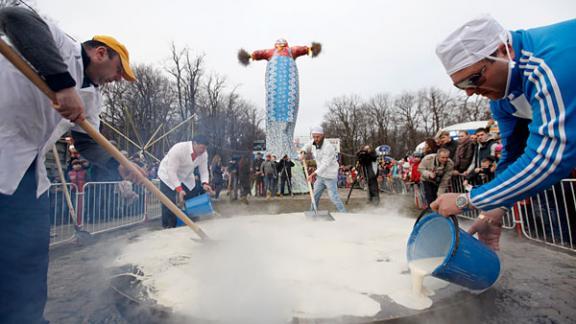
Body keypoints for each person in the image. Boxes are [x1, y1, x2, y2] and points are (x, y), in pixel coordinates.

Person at [0, 7, 143, 323]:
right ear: (101, 53)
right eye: (119, 71)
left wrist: (119, 164)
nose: (119, 79)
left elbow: (89, 140)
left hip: (27, 172)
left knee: (31, 253)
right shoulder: (60, 46)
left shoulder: (92, 99)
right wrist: (63, 85)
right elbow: (13, 17)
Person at [433, 15, 576, 250]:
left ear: (504, 50)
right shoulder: (502, 99)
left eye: (474, 78)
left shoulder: (547, 65)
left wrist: (467, 200)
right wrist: (494, 209)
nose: (470, 92)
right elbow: (513, 155)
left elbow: (550, 157)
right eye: (461, 86)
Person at [157, 135, 213, 228]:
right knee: (169, 202)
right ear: (194, 143)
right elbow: (171, 171)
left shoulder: (204, 154)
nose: (203, 150)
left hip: (186, 176)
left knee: (192, 195)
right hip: (167, 175)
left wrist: (205, 183)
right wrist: (179, 189)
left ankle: (192, 222)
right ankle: (168, 227)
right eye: (201, 147)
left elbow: (204, 171)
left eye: (205, 148)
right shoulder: (178, 149)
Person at [300, 126, 347, 213]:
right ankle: (312, 213)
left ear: (322, 136)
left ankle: (344, 214)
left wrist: (312, 174)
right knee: (315, 196)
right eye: (314, 136)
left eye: (317, 137)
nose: (315, 139)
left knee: (334, 197)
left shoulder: (328, 147)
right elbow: (306, 146)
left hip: (330, 176)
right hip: (320, 177)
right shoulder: (313, 142)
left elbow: (325, 164)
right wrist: (303, 152)